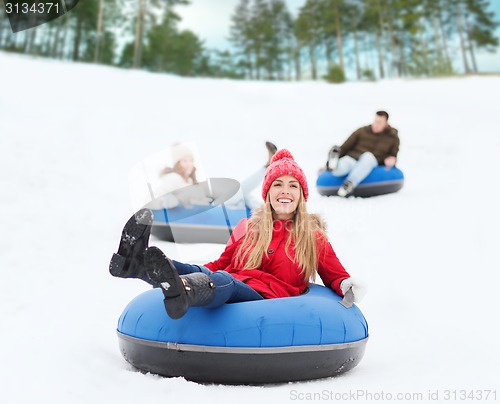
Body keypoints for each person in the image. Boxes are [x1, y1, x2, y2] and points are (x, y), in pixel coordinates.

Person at [110, 149, 366, 320]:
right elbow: (220, 264)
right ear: (267, 194)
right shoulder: (249, 227)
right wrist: (190, 269)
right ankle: (136, 264)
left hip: (270, 297)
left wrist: (347, 285)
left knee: (225, 280)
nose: (284, 191)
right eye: (277, 184)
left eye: (292, 185)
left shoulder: (312, 236)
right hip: (232, 280)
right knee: (212, 273)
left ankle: (185, 290)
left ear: (301, 195)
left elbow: (335, 274)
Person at [147, 142, 278, 211]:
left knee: (245, 196)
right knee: (239, 191)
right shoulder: (173, 178)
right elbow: (151, 199)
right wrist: (166, 202)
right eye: (184, 161)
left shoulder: (189, 181)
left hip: (210, 205)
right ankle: (267, 167)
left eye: (190, 160)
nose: (188, 164)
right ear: (177, 164)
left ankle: (267, 212)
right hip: (208, 211)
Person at [326, 111, 400, 197]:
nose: (375, 124)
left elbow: (393, 154)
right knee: (345, 165)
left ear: (386, 123)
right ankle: (333, 166)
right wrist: (336, 155)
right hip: (353, 157)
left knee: (367, 157)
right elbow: (345, 147)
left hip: (372, 160)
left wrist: (391, 159)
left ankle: (349, 183)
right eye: (375, 121)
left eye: (379, 123)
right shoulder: (362, 131)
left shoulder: (392, 137)